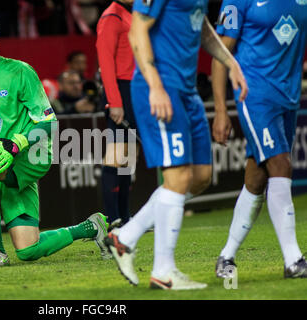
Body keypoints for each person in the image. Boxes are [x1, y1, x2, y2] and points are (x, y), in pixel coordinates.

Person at [103, 0, 248, 290]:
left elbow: (203, 27)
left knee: (201, 177)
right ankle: (163, 271)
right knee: (178, 178)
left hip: (188, 91)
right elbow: (137, 32)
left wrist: (230, 61)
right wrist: (155, 85)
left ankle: (125, 237)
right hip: (160, 87)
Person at [0, 17, 111, 267]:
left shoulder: (19, 72)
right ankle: (91, 227)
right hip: (2, 160)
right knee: (28, 250)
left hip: (32, 152)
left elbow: (50, 122)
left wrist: (16, 144)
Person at [212, 0, 307, 279]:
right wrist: (220, 110)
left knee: (256, 178)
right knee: (281, 164)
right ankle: (294, 260)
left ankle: (226, 256)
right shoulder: (238, 1)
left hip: (288, 98)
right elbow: (220, 54)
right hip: (254, 95)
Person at [96, 0, 135, 229]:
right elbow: (105, 60)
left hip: (131, 89)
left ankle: (124, 217)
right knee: (116, 156)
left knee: (127, 160)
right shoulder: (112, 16)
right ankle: (112, 218)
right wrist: (114, 101)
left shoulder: (129, 13)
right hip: (119, 90)